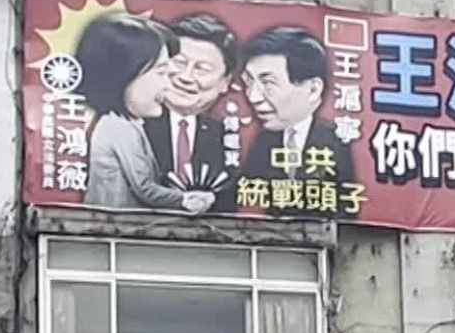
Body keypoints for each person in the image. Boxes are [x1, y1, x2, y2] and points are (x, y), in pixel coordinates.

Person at [75, 14, 215, 214]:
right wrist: (185, 200)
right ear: (125, 74)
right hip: (112, 227)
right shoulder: (117, 126)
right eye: (161, 73)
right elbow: (144, 188)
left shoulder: (128, 123)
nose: (167, 85)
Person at [240, 26, 357, 218]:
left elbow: (350, 204)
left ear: (312, 89)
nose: (253, 97)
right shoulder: (266, 138)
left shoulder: (338, 139)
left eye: (268, 83)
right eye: (249, 82)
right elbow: (243, 187)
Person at [143, 13, 238, 212]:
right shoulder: (133, 123)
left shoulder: (224, 133)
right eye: (179, 62)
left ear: (225, 82)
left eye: (202, 69)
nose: (185, 77)